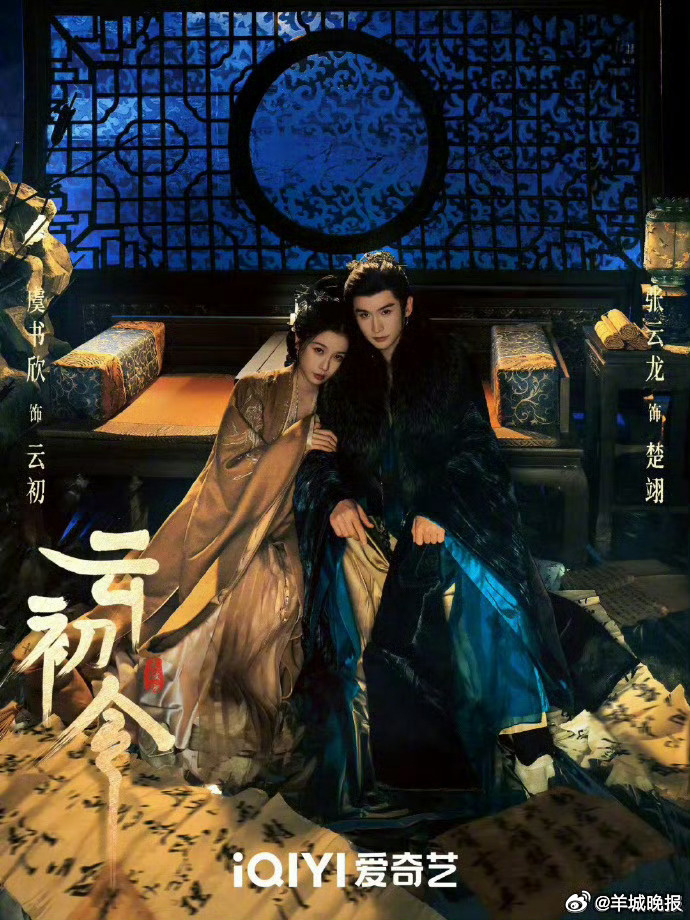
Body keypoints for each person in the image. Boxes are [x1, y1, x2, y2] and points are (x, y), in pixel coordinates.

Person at [13, 278, 349, 788]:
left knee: (256, 633)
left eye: (338, 357)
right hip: (226, 535)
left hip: (285, 545)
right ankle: (123, 691)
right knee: (181, 624)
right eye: (319, 350)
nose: (325, 365)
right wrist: (294, 445)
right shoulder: (256, 392)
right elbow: (228, 476)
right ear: (298, 341)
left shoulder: (339, 408)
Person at [292, 253, 575, 819]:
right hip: (374, 520)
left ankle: (524, 731)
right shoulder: (344, 375)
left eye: (386, 311)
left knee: (477, 584)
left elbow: (475, 446)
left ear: (408, 307)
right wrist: (336, 500)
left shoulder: (444, 361)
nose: (376, 326)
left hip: (446, 510)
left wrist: (439, 508)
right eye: (364, 314)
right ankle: (393, 758)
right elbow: (322, 459)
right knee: (349, 593)